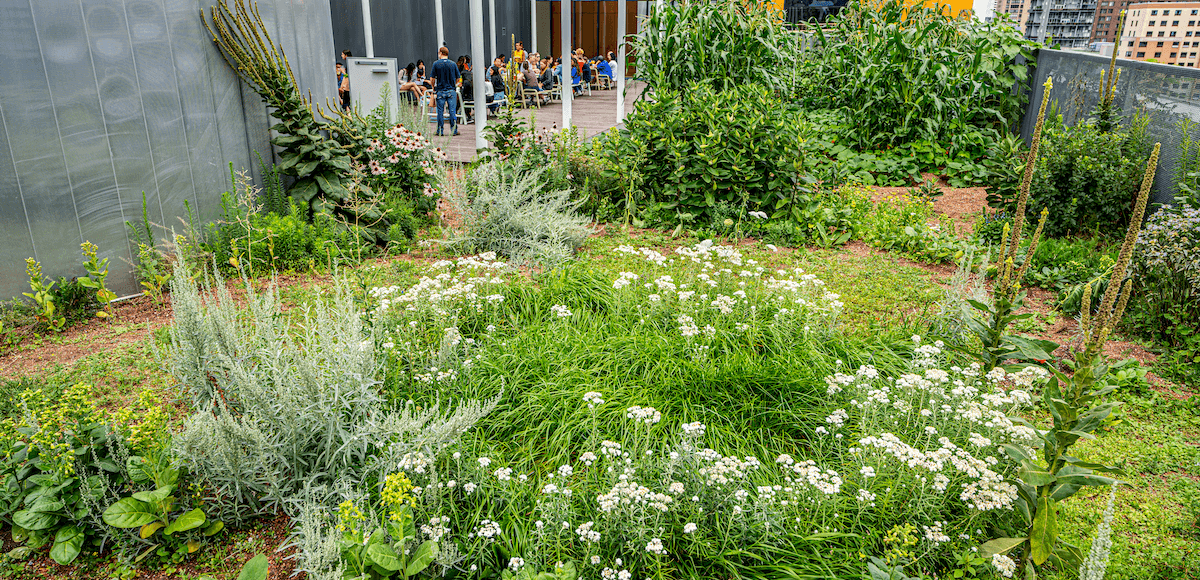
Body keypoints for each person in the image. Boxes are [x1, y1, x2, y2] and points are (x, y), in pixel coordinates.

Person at [432, 47, 459, 136]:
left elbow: (432, 78)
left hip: (440, 90)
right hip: (451, 90)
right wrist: (454, 84)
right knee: (452, 111)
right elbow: (458, 78)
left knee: (440, 111)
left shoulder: (436, 64)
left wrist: (433, 87)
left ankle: (440, 131)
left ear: (440, 53)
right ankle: (454, 130)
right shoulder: (453, 64)